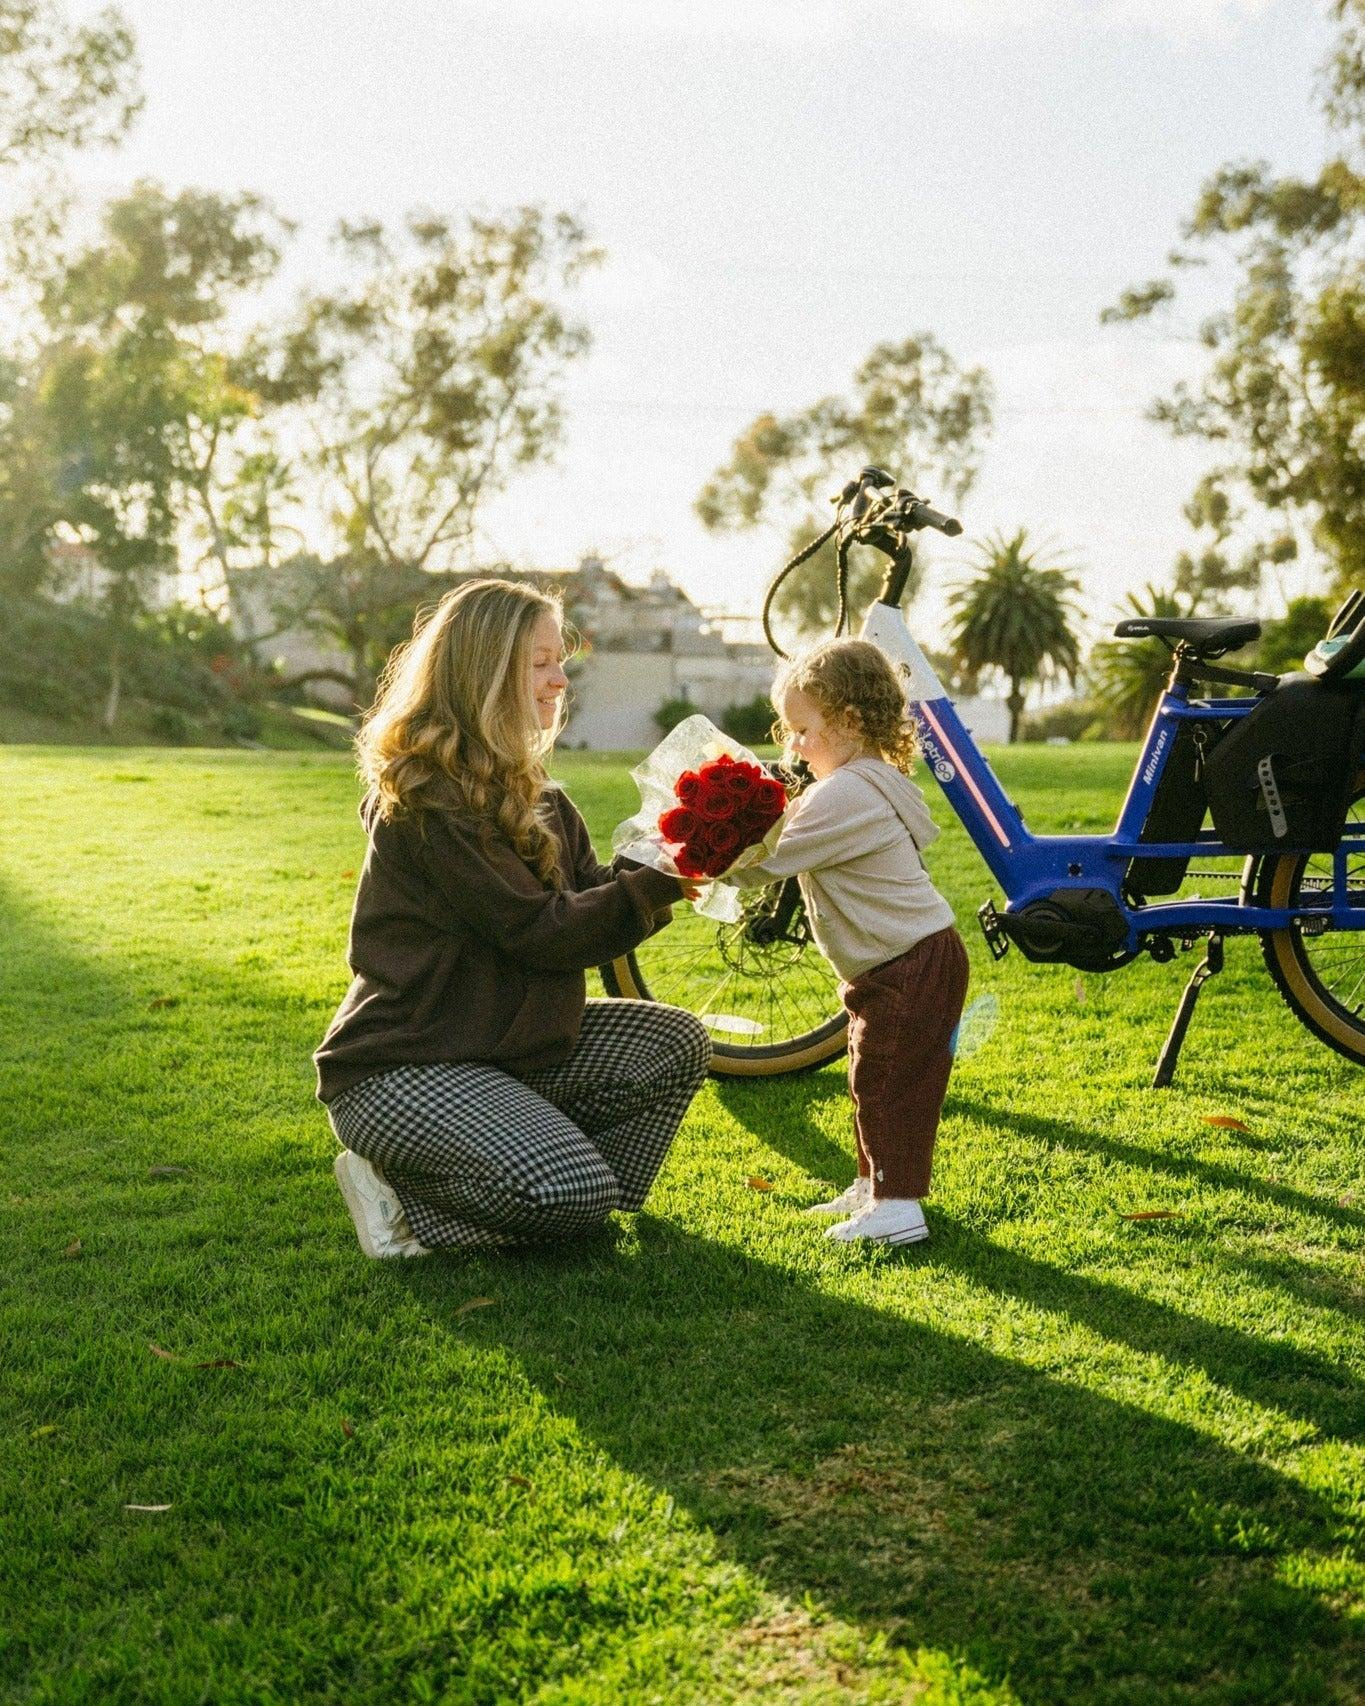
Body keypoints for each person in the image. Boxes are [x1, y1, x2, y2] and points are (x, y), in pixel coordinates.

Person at [314, 579, 711, 1259]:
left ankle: (540, 1180)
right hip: (403, 1068)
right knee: (569, 1195)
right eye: (539, 662)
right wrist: (656, 884)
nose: (559, 680)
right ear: (483, 670)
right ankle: (403, 1201)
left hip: (504, 1049)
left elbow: (593, 903)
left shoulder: (541, 798)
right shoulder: (427, 802)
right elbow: (543, 933)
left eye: (561, 661)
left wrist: (692, 839)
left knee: (673, 1041)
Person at [730, 638, 968, 1247]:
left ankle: (898, 1206)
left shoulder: (848, 794)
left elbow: (768, 858)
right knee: (871, 1075)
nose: (793, 747)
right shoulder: (864, 781)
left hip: (908, 964)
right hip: (904, 961)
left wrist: (704, 849)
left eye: (803, 730)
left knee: (890, 1083)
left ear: (849, 722)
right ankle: (874, 1184)